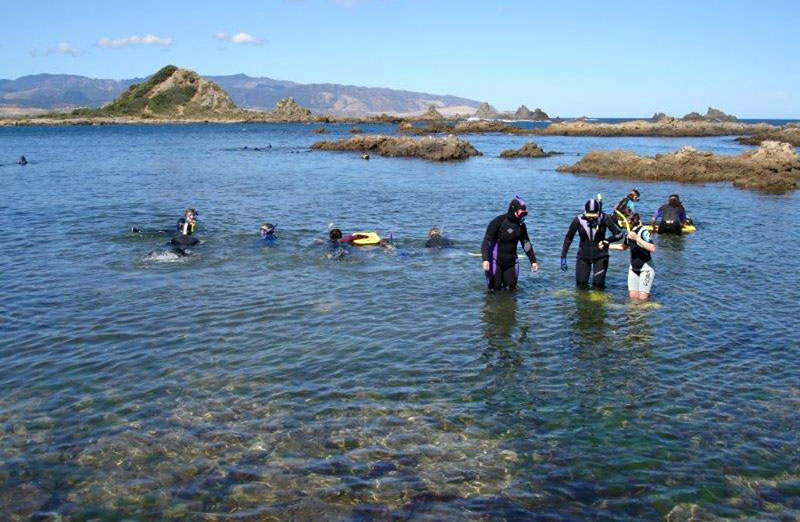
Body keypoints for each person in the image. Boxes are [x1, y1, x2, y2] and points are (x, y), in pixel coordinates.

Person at [561, 198, 624, 289]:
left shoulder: (604, 218)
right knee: (581, 285)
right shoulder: (578, 220)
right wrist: (563, 256)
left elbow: (619, 234)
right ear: (585, 212)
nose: (591, 218)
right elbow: (568, 238)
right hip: (583, 257)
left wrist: (607, 241)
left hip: (601, 257)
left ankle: (598, 303)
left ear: (598, 213)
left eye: (593, 216)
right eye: (589, 215)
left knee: (598, 285)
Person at [481, 196, 539, 290]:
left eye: (524, 214)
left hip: (511, 263)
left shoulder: (521, 226)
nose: (522, 217)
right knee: (494, 289)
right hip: (495, 262)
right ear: (513, 210)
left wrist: (533, 261)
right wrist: (485, 259)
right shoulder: (498, 221)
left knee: (511, 290)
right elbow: (486, 240)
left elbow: (526, 243)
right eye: (521, 213)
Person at [610, 213, 656, 300]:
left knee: (642, 299)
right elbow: (623, 247)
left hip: (646, 269)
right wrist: (607, 246)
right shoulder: (629, 233)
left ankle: (647, 311)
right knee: (633, 298)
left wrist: (637, 238)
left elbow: (653, 248)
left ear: (631, 222)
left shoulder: (643, 231)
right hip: (633, 268)